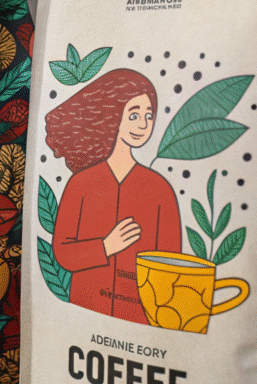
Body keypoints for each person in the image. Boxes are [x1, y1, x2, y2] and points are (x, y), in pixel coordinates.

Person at [45, 69, 181, 323]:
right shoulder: (80, 183)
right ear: (112, 115)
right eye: (134, 115)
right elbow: (62, 253)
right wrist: (106, 247)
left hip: (141, 318)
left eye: (149, 115)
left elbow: (171, 263)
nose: (143, 124)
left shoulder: (160, 190)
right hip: (84, 313)